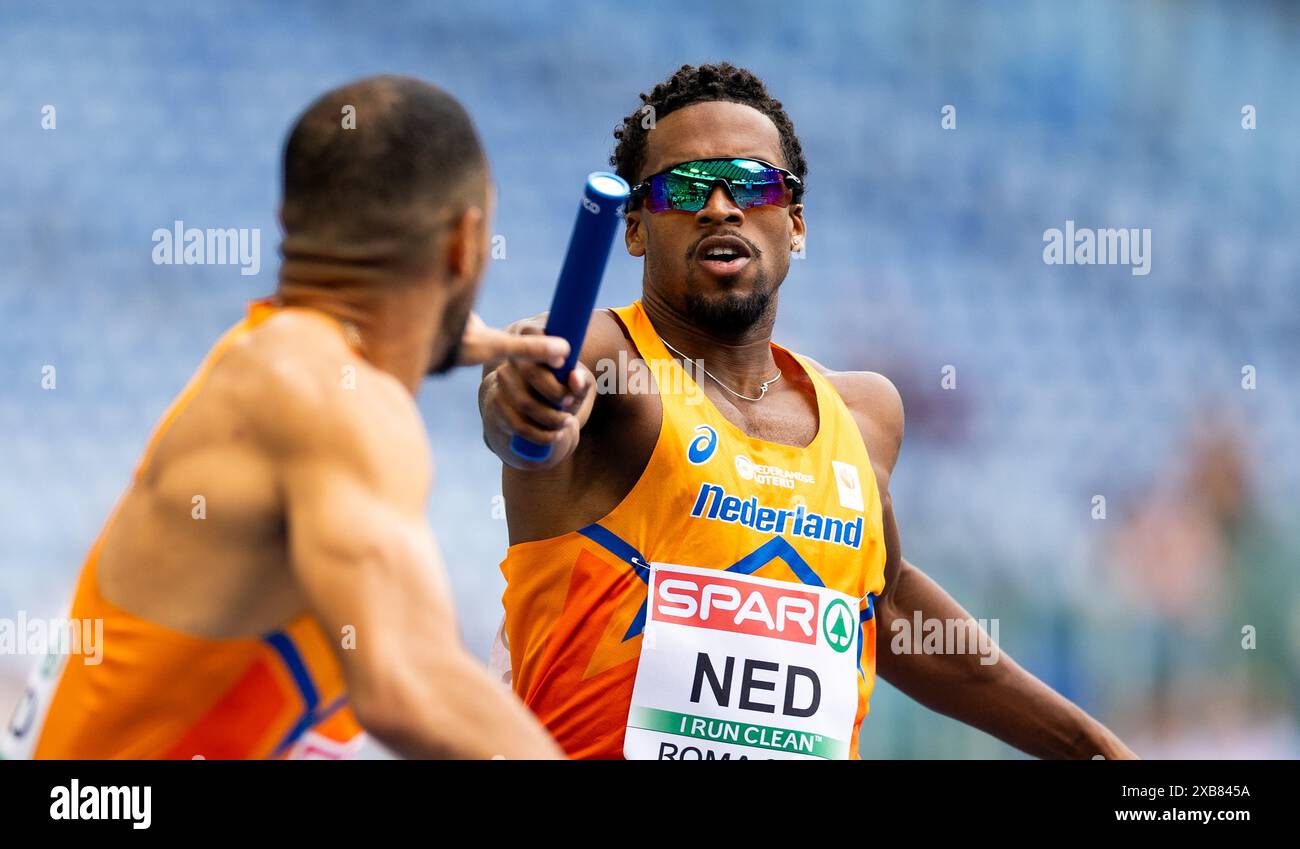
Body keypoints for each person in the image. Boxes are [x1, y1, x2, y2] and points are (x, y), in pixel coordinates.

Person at [479, 63, 1136, 760]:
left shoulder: (864, 413)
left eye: (755, 183)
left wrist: (1089, 746)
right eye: (688, 187)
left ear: (794, 223)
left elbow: (883, 609)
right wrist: (519, 396)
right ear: (636, 227)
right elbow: (524, 376)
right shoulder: (612, 367)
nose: (721, 207)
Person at [3, 76, 564, 760]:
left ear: (290, 219)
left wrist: (438, 342)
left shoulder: (274, 361)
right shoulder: (336, 402)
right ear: (464, 242)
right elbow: (410, 683)